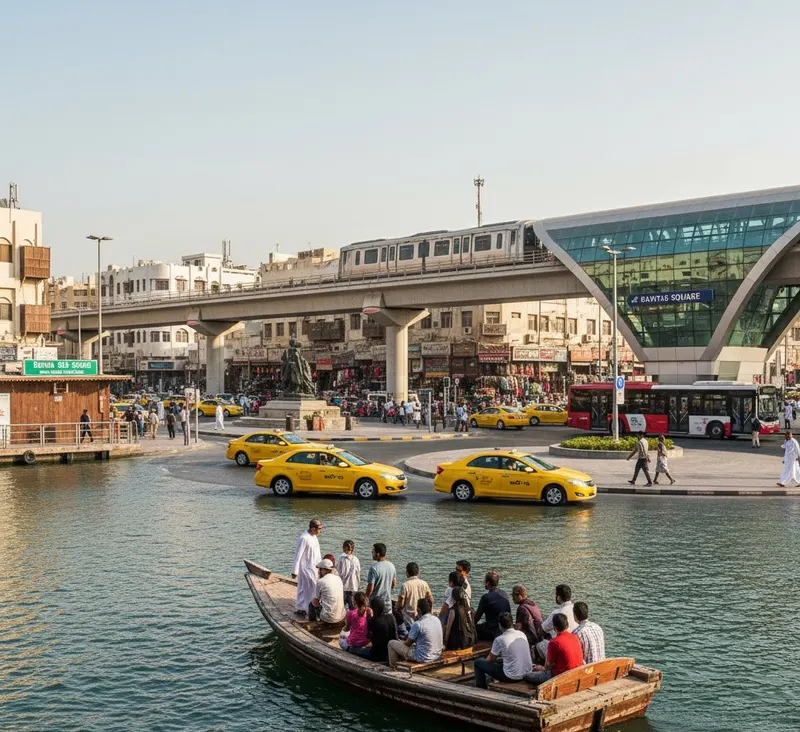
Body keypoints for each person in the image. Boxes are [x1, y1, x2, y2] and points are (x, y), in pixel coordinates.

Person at [473, 612, 532, 689]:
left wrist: (484, 664)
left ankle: (481, 688)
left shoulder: (500, 639)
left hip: (511, 676)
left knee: (478, 662)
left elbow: (490, 660)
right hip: (526, 673)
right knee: (500, 661)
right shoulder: (522, 634)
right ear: (512, 622)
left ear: (500, 625)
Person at [524, 613, 583, 686]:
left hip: (560, 676)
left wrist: (542, 668)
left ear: (555, 628)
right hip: (576, 672)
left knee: (526, 675)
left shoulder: (554, 642)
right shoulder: (575, 637)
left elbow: (547, 666)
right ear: (567, 626)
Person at [387, 598, 442, 668]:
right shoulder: (436, 619)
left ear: (418, 609)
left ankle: (393, 667)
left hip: (422, 657)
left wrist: (400, 642)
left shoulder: (418, 624)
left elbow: (407, 643)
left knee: (391, 643)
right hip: (436, 655)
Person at [536, 584, 577, 661]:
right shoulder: (575, 608)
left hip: (562, 646)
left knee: (539, 645)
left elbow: (542, 630)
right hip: (574, 644)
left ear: (559, 597)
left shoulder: (557, 613)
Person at [349, 596, 397, 661]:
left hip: (377, 655)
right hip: (391, 652)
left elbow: (369, 638)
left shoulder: (373, 621)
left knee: (352, 649)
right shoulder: (391, 617)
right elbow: (395, 636)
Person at [291, 519, 323, 616]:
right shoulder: (304, 538)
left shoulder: (314, 537)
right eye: (319, 528)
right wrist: (294, 571)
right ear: (313, 529)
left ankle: (309, 607)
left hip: (315, 567)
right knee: (304, 588)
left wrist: (321, 567)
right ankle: (302, 608)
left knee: (312, 588)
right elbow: (298, 555)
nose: (321, 530)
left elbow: (318, 554)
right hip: (306, 568)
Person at [474, 570, 511, 641]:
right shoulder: (504, 593)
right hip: (505, 628)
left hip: (493, 631)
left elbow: (476, 618)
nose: (483, 583)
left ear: (487, 583)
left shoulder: (485, 597)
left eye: (484, 581)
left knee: (473, 629)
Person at [397, 562, 434, 629]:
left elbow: (401, 605)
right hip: (421, 615)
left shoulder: (405, 585)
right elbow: (431, 600)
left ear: (407, 572)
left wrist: (397, 608)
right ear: (418, 572)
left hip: (408, 618)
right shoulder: (424, 584)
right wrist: (430, 612)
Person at [308, 558, 345, 623]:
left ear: (324, 570)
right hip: (341, 616)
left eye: (320, 569)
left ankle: (313, 623)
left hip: (328, 618)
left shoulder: (320, 581)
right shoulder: (338, 579)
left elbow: (316, 600)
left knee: (311, 604)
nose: (319, 571)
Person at [365, 543, 396, 613]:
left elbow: (370, 588)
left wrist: (365, 598)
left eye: (373, 551)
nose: (372, 553)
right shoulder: (392, 566)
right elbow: (394, 584)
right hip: (387, 602)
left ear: (377, 554)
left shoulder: (374, 568)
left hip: (375, 602)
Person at [443, 586, 476, 651]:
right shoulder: (469, 609)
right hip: (470, 640)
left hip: (459, 643)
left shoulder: (453, 610)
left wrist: (445, 641)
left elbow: (448, 628)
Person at [336, 539, 361, 610]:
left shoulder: (341, 558)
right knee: (352, 607)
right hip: (353, 587)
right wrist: (358, 585)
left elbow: (338, 572)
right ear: (352, 549)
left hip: (343, 586)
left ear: (343, 548)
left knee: (340, 606)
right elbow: (358, 574)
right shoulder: (356, 559)